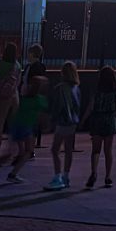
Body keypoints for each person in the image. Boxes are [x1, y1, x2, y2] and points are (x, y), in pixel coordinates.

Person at [80, 66, 116, 188]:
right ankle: (108, 177)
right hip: (109, 120)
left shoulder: (95, 90)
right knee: (108, 150)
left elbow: (90, 107)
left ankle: (93, 173)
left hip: (97, 120)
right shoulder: (115, 92)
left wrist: (83, 120)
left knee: (96, 150)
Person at [44, 61, 81, 190]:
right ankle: (66, 176)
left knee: (55, 149)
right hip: (73, 122)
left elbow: (57, 106)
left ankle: (57, 176)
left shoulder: (60, 88)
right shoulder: (76, 88)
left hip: (63, 121)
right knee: (68, 150)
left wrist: (51, 121)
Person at [6, 76, 49, 183]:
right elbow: (42, 116)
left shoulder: (25, 98)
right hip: (26, 127)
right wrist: (45, 126)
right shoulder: (40, 100)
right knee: (28, 151)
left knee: (14, 151)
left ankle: (7, 169)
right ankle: (13, 174)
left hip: (16, 125)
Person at [0, 42, 21, 164]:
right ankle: (15, 153)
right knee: (14, 126)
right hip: (14, 97)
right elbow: (18, 83)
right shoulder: (17, 65)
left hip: (1, 98)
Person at [20, 43, 46, 155]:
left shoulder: (38, 67)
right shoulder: (28, 66)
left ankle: (29, 150)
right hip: (26, 96)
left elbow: (37, 84)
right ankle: (28, 149)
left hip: (31, 98)